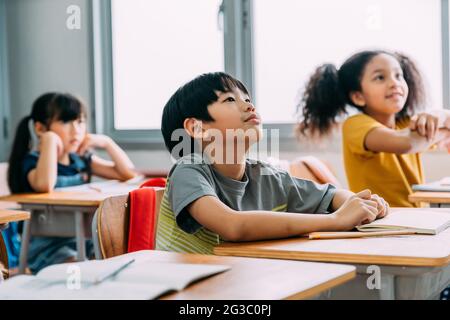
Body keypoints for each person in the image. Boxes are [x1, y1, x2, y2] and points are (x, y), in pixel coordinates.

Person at [155, 72, 389, 254]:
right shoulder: (188, 170)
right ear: (197, 128)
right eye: (229, 99)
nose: (249, 105)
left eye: (247, 99)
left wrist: (361, 204)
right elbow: (233, 226)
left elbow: (330, 196)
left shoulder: (264, 174)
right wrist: (336, 221)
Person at [297, 50, 450, 207]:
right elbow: (407, 143)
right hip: (378, 223)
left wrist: (439, 115)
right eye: (380, 77)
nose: (394, 83)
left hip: (414, 218)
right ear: (358, 96)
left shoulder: (406, 123)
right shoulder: (355, 125)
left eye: (398, 75)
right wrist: (442, 125)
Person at [7, 92, 136, 273]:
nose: (76, 130)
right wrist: (49, 141)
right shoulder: (33, 162)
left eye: (80, 122)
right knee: (80, 272)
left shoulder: (81, 160)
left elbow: (129, 174)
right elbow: (45, 184)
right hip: (48, 248)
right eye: (66, 122)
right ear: (40, 128)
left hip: (84, 240)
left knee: (114, 262)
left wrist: (107, 142)